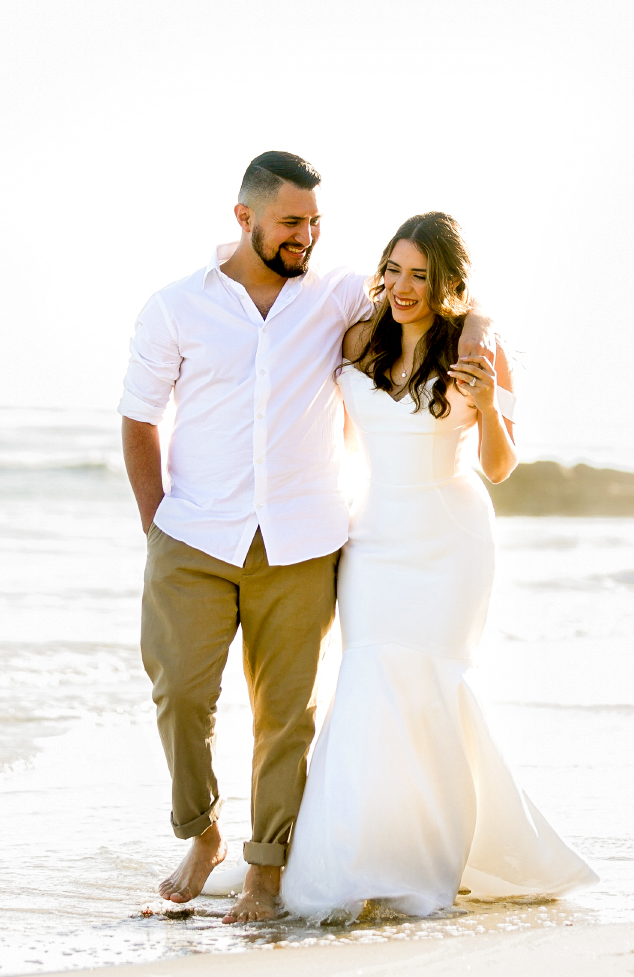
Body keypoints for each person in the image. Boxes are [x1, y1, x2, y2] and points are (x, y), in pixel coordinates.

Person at [118, 154, 496, 923]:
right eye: (292, 223)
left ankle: (265, 871)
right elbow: (138, 415)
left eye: (315, 223)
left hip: (302, 538)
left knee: (286, 715)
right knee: (181, 694)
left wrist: (480, 332)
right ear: (244, 217)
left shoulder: (334, 297)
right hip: (193, 533)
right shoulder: (174, 307)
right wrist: (156, 522)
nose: (307, 236)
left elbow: (438, 294)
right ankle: (202, 831)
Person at [276, 212, 599, 921]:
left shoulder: (476, 346)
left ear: (446, 281)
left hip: (450, 538)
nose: (402, 287)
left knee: (429, 687)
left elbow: (500, 466)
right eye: (393, 270)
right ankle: (358, 854)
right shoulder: (360, 336)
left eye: (420, 275)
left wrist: (486, 406)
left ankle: (429, 863)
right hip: (375, 534)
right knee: (366, 680)